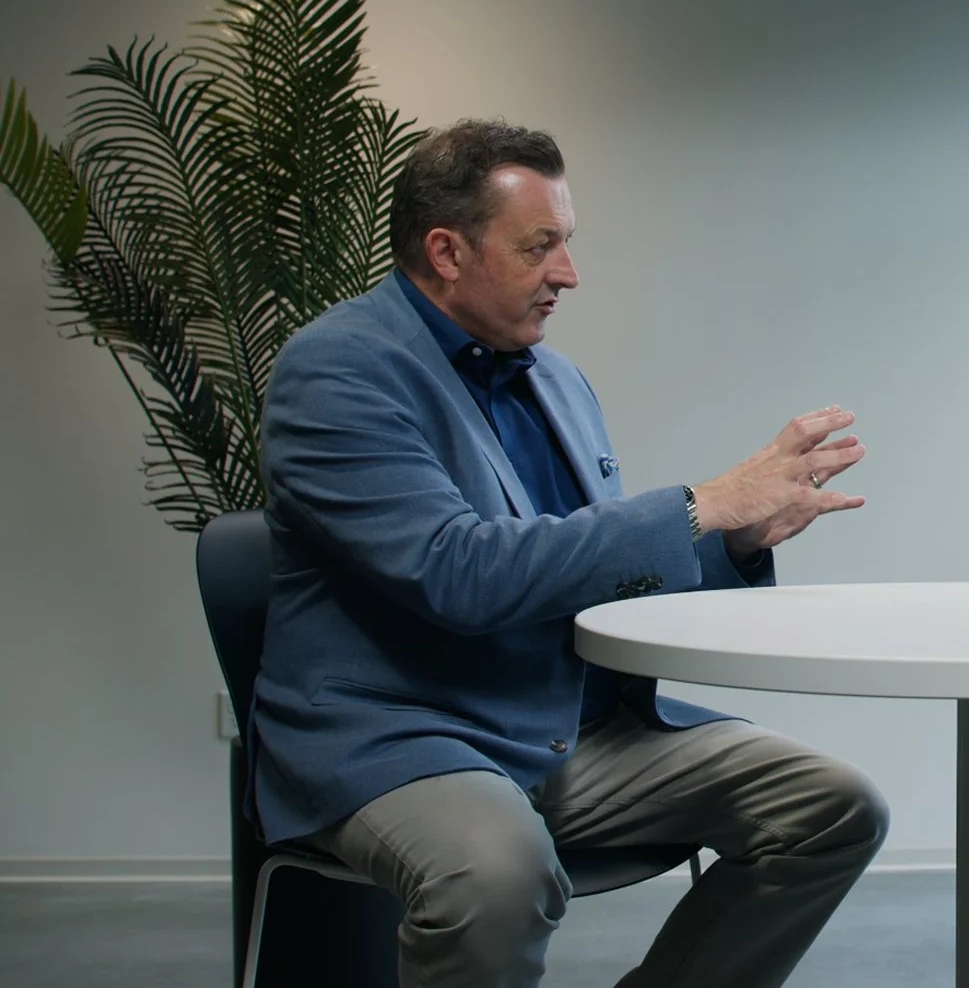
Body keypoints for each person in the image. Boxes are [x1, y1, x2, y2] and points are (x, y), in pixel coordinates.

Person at [251, 119, 888, 988]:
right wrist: (702, 503)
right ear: (445, 250)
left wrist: (731, 537)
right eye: (539, 245)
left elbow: (586, 572)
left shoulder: (554, 375)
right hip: (407, 733)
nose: (568, 272)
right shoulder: (337, 373)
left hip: (567, 728)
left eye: (567, 242)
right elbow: (458, 573)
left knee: (833, 807)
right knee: (496, 875)